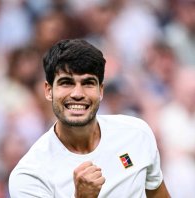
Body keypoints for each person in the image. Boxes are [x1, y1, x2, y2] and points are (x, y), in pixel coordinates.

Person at [9, 39, 170, 197]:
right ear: (48, 90)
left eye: (88, 83)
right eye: (66, 82)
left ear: (101, 91)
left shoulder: (137, 134)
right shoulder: (30, 176)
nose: (78, 94)